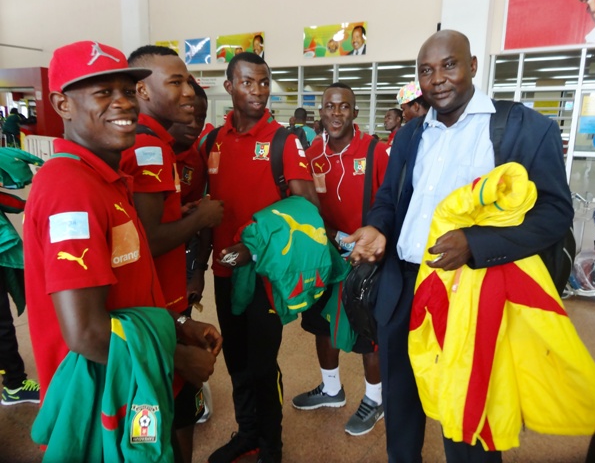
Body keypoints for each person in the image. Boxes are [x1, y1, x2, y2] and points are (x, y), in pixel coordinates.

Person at [344, 29, 573, 462]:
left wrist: (476, 242)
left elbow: (555, 212)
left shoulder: (523, 128)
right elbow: (390, 198)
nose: (437, 79)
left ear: (473, 65)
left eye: (449, 65)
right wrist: (378, 227)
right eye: (425, 70)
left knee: (468, 418)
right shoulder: (411, 134)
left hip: (471, 293)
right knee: (402, 408)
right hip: (403, 287)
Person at [23, 40, 222, 460]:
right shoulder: (70, 189)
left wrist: (176, 325)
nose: (124, 103)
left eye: (128, 91)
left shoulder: (105, 180)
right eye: (103, 92)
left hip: (127, 382)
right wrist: (176, 358)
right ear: (61, 105)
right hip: (99, 396)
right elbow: (86, 333)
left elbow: (126, 292)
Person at [204, 52, 317, 463]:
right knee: (236, 359)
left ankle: (271, 445)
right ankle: (247, 433)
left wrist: (253, 246)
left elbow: (308, 210)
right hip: (223, 273)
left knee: (262, 365)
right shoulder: (212, 141)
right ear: (229, 86)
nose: (258, 91)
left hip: (265, 277)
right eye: (248, 82)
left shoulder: (283, 141)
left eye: (264, 82)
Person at [121, 44, 224, 463]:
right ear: (143, 91)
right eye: (175, 82)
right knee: (163, 418)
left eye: (187, 82)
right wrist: (202, 218)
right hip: (152, 307)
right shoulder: (151, 146)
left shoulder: (152, 141)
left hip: (163, 307)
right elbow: (147, 240)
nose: (187, 92)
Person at [293, 83, 389, 436]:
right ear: (321, 112)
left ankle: (376, 399)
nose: (336, 113)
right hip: (326, 256)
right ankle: (331, 389)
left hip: (366, 260)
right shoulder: (310, 154)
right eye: (330, 106)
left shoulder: (375, 151)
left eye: (344, 106)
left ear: (355, 112)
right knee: (322, 324)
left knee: (367, 332)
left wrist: (375, 242)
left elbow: (392, 201)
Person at [168, 78, 211, 310]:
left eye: (201, 118)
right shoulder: (143, 149)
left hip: (181, 255)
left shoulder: (196, 161)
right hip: (142, 257)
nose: (195, 124)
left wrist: (198, 272)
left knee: (182, 315)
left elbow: (198, 221)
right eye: (188, 115)